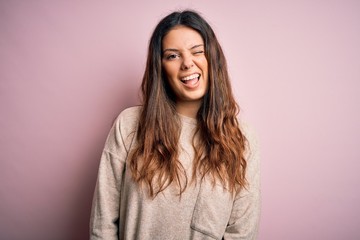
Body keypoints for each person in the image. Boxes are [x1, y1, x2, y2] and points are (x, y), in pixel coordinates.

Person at [90, 9, 260, 240]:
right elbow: (103, 224)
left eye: (197, 52)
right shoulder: (129, 125)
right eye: (172, 56)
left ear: (212, 58)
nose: (187, 63)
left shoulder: (241, 137)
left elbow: (242, 232)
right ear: (160, 68)